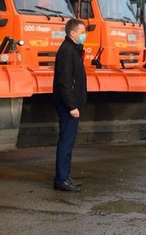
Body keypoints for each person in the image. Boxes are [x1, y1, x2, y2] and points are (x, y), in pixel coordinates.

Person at [53, 18, 87, 192]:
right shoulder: (67, 51)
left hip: (71, 105)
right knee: (66, 142)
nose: (84, 35)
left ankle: (65, 176)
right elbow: (64, 82)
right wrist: (72, 106)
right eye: (82, 32)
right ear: (73, 33)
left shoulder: (73, 49)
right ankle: (61, 179)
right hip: (68, 106)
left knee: (68, 142)